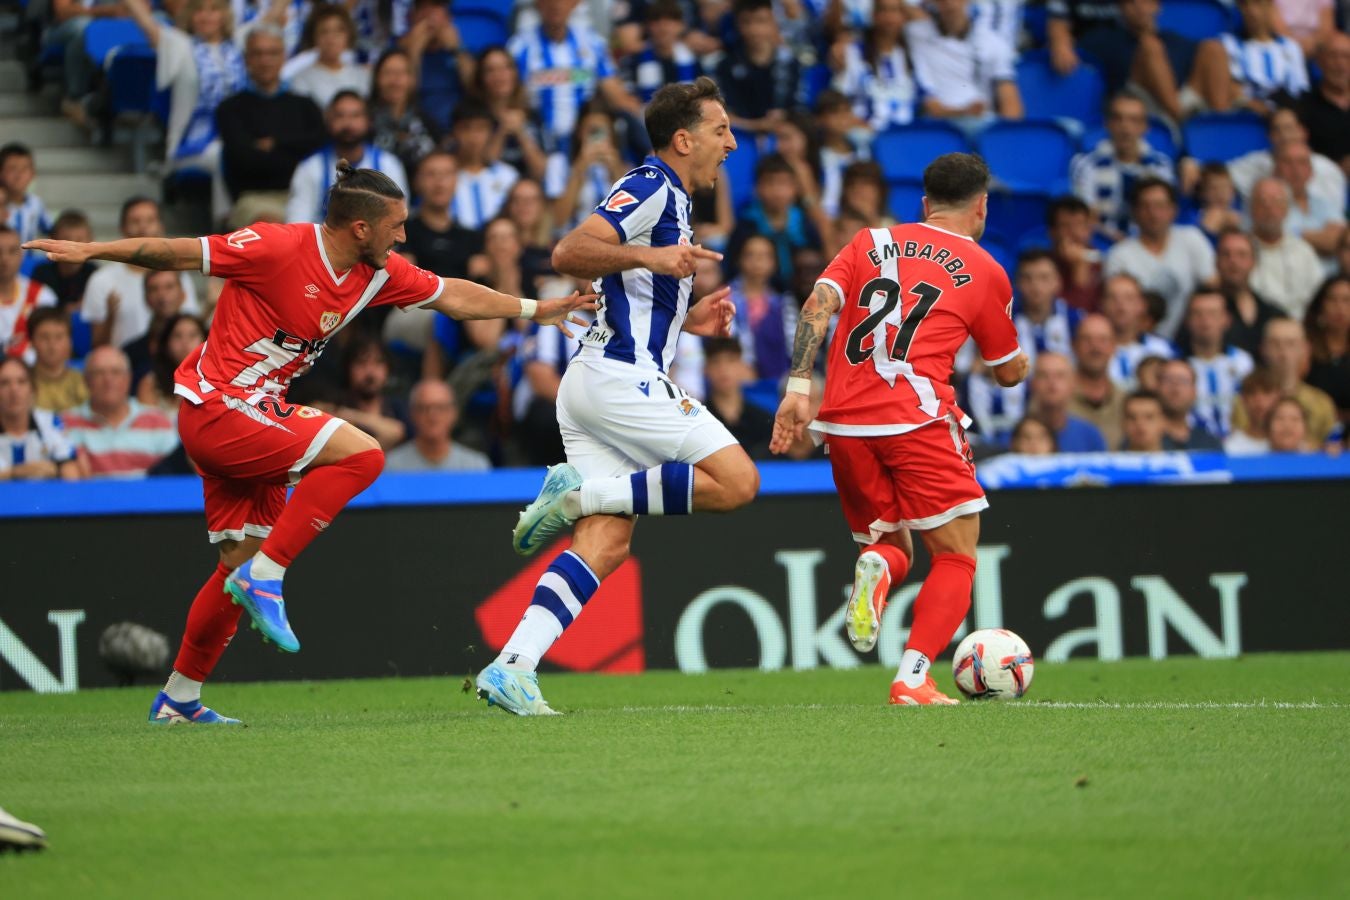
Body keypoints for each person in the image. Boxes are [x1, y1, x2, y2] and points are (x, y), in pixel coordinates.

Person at [24, 160, 592, 725]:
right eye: (396, 225)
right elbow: (174, 253)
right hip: (219, 407)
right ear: (360, 228)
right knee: (364, 455)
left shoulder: (377, 272)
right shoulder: (275, 246)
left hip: (257, 416)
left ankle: (179, 698)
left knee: (232, 568)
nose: (404, 235)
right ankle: (268, 576)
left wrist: (536, 309)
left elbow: (453, 296)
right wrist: (92, 251)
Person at [478, 77, 750, 716]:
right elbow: (568, 250)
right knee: (737, 482)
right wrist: (656, 262)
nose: (732, 144)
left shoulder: (673, 198)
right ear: (683, 139)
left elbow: (634, 296)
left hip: (599, 380)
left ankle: (511, 666)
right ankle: (575, 493)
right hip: (617, 378)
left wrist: (690, 320)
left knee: (606, 542)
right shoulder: (653, 184)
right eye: (720, 130)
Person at [770, 151, 1028, 706]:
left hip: (840, 422)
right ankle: (913, 676)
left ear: (923, 204)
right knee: (956, 556)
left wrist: (797, 388)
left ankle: (876, 568)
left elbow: (818, 303)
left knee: (893, 547)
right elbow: (1007, 372)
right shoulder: (985, 270)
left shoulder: (870, 242)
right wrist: (1019, 358)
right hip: (916, 418)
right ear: (980, 208)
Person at [123, 0, 246, 224]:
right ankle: (226, 224)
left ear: (224, 16)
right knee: (223, 153)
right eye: (199, 10)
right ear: (189, 16)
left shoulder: (240, 45)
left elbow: (272, 18)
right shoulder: (180, 46)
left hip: (237, 136)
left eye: (213, 10)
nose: (206, 16)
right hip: (190, 146)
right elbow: (144, 20)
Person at [216, 25, 326, 223]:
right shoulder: (230, 109)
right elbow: (244, 162)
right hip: (255, 198)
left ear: (284, 57)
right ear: (246, 59)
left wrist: (275, 144)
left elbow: (319, 148)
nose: (265, 60)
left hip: (307, 193)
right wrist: (294, 151)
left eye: (272, 53)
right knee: (272, 230)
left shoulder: (305, 105)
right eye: (258, 53)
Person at [508, 0, 641, 148]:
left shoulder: (592, 43)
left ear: (575, 3)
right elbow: (509, 100)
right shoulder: (519, 47)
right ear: (538, 4)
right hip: (537, 141)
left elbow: (617, 97)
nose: (555, 4)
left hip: (584, 141)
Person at [80, 198, 200, 350]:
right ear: (122, 228)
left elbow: (191, 329)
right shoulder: (101, 280)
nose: (143, 227)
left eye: (150, 220)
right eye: (135, 221)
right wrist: (111, 316)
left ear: (161, 227)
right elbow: (97, 346)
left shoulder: (178, 276)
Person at [1104, 178, 1215, 339]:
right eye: (1145, 206)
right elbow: (1116, 307)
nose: (1153, 213)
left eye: (1160, 206)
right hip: (1138, 340)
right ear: (1134, 212)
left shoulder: (1192, 239)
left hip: (1188, 339)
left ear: (1174, 210)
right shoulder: (1119, 255)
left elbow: (1213, 287)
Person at [287, 91, 409, 225]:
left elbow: (398, 220)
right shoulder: (310, 167)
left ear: (369, 120)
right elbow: (297, 224)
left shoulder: (389, 164)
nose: (348, 123)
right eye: (340, 116)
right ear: (328, 120)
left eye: (355, 115)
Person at [1071, 94, 1175, 241]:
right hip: (1101, 243)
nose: (1125, 127)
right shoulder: (1086, 164)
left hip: (1148, 244)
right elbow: (1085, 218)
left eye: (1134, 120)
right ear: (1107, 124)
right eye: (1118, 119)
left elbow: (1165, 215)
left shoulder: (1161, 166)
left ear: (1145, 127)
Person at [61, 346, 180, 475]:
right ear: (86, 380)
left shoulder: (158, 421)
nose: (108, 380)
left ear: (128, 378)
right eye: (99, 373)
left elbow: (176, 476)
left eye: (116, 372)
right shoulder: (65, 425)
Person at [907, 0, 1022, 131]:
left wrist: (1005, 138)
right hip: (937, 127)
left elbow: (1011, 102)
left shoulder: (993, 43)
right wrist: (963, 112)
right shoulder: (915, 34)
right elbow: (932, 108)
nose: (950, 3)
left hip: (981, 126)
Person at [1228, 317, 1337, 444]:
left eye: (1290, 343)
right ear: (1263, 348)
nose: (1283, 351)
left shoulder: (1321, 402)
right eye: (1275, 343)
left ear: (1305, 348)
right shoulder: (1244, 401)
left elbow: (1331, 448)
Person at [715, 0, 804, 135]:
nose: (754, 29)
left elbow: (802, 110)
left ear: (773, 23)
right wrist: (757, 126)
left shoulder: (791, 64)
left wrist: (784, 117)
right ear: (738, 25)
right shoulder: (725, 66)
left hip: (783, 137)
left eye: (761, 21)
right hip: (738, 140)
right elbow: (722, 116)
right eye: (747, 22)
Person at [831, 0, 917, 131]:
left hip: (907, 134)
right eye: (884, 10)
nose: (889, 17)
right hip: (865, 133)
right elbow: (840, 99)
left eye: (895, 11)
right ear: (873, 15)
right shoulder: (853, 52)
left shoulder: (912, 53)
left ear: (904, 17)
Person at [1248, 177, 1323, 319]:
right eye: (1262, 202)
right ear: (1251, 208)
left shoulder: (1303, 251)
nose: (1269, 208)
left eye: (1276, 201)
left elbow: (1317, 298)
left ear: (1287, 209)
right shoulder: (1239, 251)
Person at [1185, 289, 1255, 437]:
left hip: (1238, 444)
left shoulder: (1244, 362)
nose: (1205, 321)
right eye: (1198, 314)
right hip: (1193, 444)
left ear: (1227, 319)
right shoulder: (1177, 364)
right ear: (1187, 320)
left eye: (1212, 314)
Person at [474, 46, 550, 184]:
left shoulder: (533, 115)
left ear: (515, 73)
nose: (499, 76)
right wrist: (502, 131)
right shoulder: (475, 118)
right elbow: (480, 169)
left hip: (529, 194)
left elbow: (542, 172)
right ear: (481, 78)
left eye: (506, 68)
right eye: (490, 70)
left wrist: (521, 133)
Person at [0, 357, 83, 481]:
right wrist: (17, 472)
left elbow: (71, 471)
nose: (14, 390)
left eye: (21, 382)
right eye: (4, 383)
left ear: (33, 390)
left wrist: (59, 470)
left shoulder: (50, 422)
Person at [1221, 0, 1308, 114]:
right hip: (1244, 115)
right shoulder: (1227, 44)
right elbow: (1227, 90)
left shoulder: (1290, 47)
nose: (1251, 11)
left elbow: (1299, 92)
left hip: (1281, 118)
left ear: (1270, 7)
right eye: (1245, 5)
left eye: (1257, 3)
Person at [383, 379, 491, 472]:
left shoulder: (476, 467)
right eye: (424, 408)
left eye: (441, 407)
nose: (433, 416)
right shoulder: (392, 467)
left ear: (454, 413)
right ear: (412, 414)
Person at [728, 234, 795, 381]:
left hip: (777, 381)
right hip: (735, 378)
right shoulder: (725, 298)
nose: (758, 261)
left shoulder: (784, 304)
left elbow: (793, 349)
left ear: (775, 263)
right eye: (750, 255)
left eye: (765, 255)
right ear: (739, 259)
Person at [368, 48, 439, 178]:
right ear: (377, 79)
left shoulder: (427, 122)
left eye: (401, 73)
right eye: (388, 73)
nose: (395, 81)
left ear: (412, 80)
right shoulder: (364, 122)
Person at [1214, 227, 1284, 356]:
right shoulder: (1202, 306)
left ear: (1254, 262)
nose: (1233, 261)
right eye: (1226, 254)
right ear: (1216, 261)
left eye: (1242, 255)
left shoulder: (1272, 312)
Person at [1274, 141, 1346, 265]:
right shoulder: (1266, 202)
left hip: (1333, 281)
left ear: (1311, 171)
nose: (1295, 169)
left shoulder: (1325, 204)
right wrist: (1321, 237)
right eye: (1287, 162)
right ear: (1276, 168)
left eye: (1302, 162)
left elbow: (1339, 241)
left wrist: (1298, 234)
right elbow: (1275, 241)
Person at [702, 336, 775, 458]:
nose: (723, 369)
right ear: (706, 369)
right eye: (716, 361)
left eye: (731, 360)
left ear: (743, 366)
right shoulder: (699, 419)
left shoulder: (764, 421)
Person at [289, 4, 370, 111]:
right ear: (313, 36)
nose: (331, 39)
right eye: (324, 31)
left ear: (348, 35)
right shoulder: (301, 80)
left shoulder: (362, 76)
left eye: (339, 31)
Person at [621, 0, 702, 106]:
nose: (663, 27)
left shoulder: (694, 60)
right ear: (647, 26)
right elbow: (628, 98)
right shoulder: (633, 60)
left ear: (681, 25)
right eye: (656, 20)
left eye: (670, 20)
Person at [1101, 273, 1174, 386]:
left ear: (1142, 305)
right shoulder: (1090, 349)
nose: (1120, 305)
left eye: (1128, 298)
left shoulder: (1163, 349)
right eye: (1112, 298)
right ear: (1102, 304)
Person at [1028, 351, 1109, 452]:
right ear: (1032, 384)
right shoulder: (1015, 437)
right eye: (1044, 375)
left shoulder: (1090, 437)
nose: (1052, 383)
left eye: (1060, 376)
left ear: (1073, 384)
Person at [1012, 250, 1082, 363]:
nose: (1035, 286)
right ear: (1017, 283)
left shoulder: (1075, 320)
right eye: (1027, 278)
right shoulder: (1004, 321)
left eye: (1044, 278)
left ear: (1058, 282)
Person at [0, 225, 56, 364]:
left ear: (21, 255)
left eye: (12, 251)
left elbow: (52, 347)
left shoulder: (43, 296)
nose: (4, 258)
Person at [1068, 312, 1125, 449]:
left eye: (1103, 340)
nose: (1095, 347)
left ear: (1114, 347)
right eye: (1087, 340)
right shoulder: (1055, 400)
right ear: (1074, 346)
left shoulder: (1126, 401)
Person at [1294, 32, 1349, 173]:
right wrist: (1336, 169)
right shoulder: (1303, 105)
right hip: (1322, 181)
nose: (1340, 64)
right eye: (1332, 56)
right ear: (1319, 61)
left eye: (1346, 57)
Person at [123, 269, 190, 379]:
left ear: (183, 295)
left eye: (169, 287)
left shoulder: (204, 347)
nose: (162, 295)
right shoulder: (131, 353)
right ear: (146, 298)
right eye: (154, 289)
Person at [1046, 195, 1104, 313]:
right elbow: (1072, 316)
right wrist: (1079, 268)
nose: (1074, 232)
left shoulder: (1101, 264)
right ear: (1052, 232)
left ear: (1089, 230)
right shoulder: (1043, 266)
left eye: (1080, 225)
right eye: (1066, 226)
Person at [137, 313, 207, 411]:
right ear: (166, 344)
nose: (185, 342)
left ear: (205, 340)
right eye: (177, 336)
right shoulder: (150, 384)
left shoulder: (217, 381)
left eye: (192, 335)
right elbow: (148, 422)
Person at [1303, 274, 1350, 422]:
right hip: (1311, 425)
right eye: (1332, 300)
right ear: (1321, 305)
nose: (1339, 307)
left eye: (1346, 300)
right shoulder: (1306, 344)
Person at [30, 211, 97, 313]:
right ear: (53, 241)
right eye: (66, 240)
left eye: (79, 240)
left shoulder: (94, 274)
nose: (73, 246)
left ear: (91, 241)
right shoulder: (42, 272)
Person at [1, 143, 52, 275]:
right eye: (12, 169)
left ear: (32, 174)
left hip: (27, 264)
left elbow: (51, 230)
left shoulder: (36, 203)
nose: (18, 175)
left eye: (24, 169)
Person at [27, 308, 88, 413]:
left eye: (59, 337)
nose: (52, 345)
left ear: (70, 342)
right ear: (32, 342)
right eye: (44, 337)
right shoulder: (21, 383)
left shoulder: (85, 383)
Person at [1156, 358, 1224, 449]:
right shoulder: (1138, 439)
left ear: (1194, 391)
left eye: (1183, 381)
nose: (1175, 389)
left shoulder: (1209, 443)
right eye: (1168, 380)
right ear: (1156, 388)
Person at [1224, 367, 1281, 454]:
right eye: (1252, 393)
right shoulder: (1230, 447)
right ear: (1243, 400)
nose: (1259, 399)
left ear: (1278, 398)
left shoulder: (1293, 446)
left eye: (1266, 392)